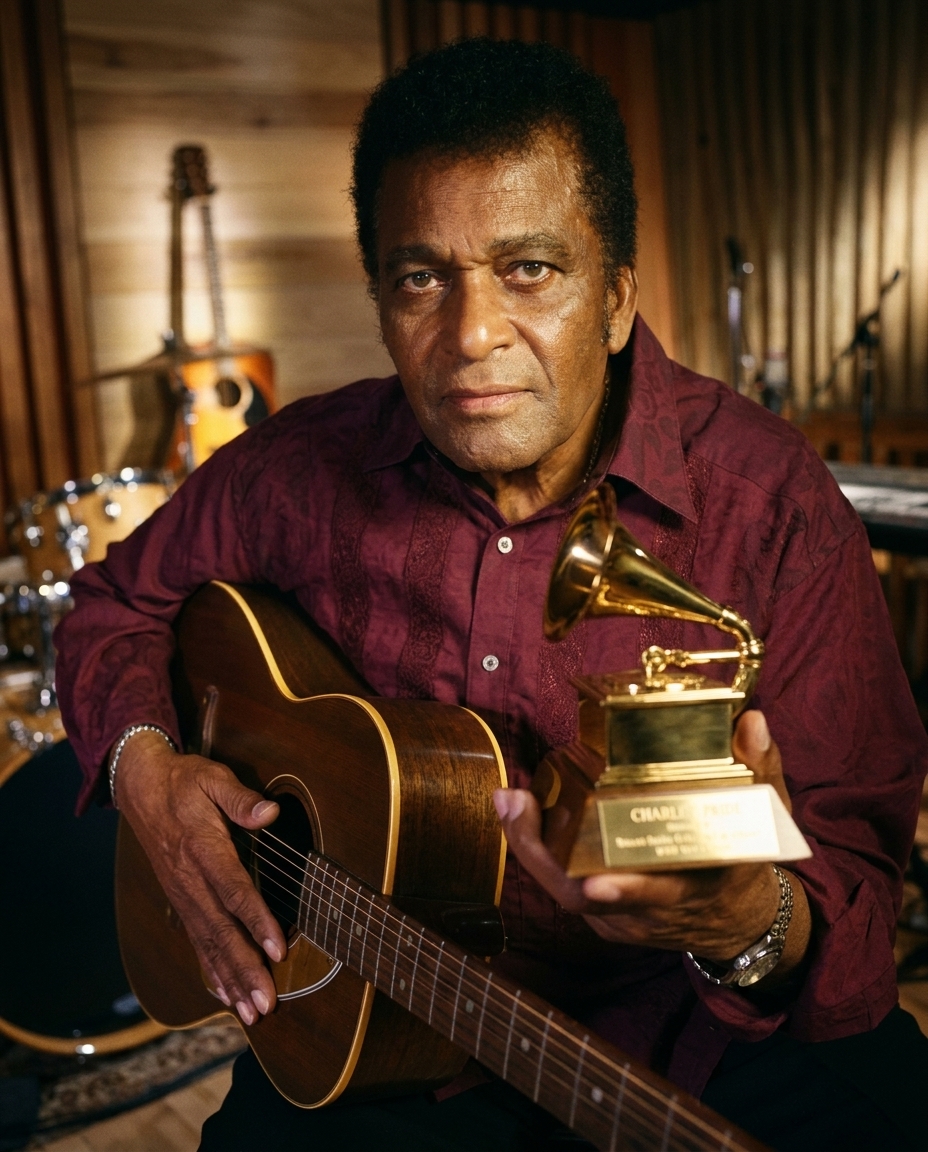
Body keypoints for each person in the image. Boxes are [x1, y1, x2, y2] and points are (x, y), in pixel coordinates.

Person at [56, 38, 927, 1152]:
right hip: (375, 1027)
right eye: (422, 278)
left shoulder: (772, 506)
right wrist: (146, 772)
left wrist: (746, 925)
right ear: (381, 301)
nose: (470, 338)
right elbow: (110, 606)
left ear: (615, 298)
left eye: (530, 270)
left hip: (697, 1032)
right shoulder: (293, 468)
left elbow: (852, 893)